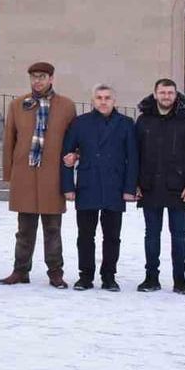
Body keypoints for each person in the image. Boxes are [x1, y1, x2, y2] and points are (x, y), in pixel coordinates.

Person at [0, 62, 76, 288]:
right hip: (25, 174)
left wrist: (74, 159)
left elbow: (74, 140)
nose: (37, 81)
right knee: (24, 229)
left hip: (52, 176)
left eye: (42, 77)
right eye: (34, 77)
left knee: (53, 228)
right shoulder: (17, 105)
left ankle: (55, 272)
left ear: (51, 79)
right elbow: (9, 141)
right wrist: (9, 173)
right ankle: (20, 270)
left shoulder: (66, 106)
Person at [60, 84, 139, 292]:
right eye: (99, 97)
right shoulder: (80, 123)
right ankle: (85, 276)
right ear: (93, 100)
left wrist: (129, 188)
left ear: (115, 100)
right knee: (85, 235)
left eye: (107, 98)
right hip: (88, 184)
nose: (103, 101)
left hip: (114, 185)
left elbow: (133, 159)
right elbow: (66, 156)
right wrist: (68, 186)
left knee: (112, 236)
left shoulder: (126, 124)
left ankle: (109, 276)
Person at [134, 79, 185, 294]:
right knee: (151, 235)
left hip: (179, 188)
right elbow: (135, 155)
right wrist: (135, 184)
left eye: (170, 93)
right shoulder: (144, 121)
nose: (166, 96)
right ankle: (151, 277)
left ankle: (180, 279)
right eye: (162, 92)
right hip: (150, 186)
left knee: (179, 235)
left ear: (176, 95)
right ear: (155, 94)